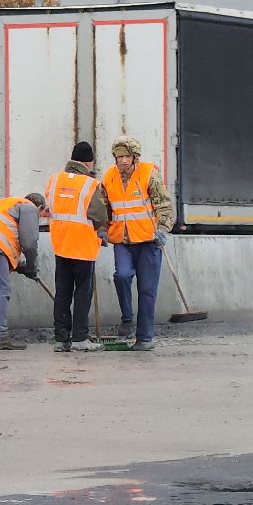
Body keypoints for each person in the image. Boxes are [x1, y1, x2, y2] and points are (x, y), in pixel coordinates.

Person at [88, 136, 175, 352]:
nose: (123, 161)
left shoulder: (148, 174)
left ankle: (144, 338)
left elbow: (164, 205)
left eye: (126, 156)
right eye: (119, 157)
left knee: (147, 291)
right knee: (122, 276)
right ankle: (127, 317)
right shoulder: (109, 177)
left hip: (149, 241)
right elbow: (103, 207)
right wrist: (102, 228)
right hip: (123, 241)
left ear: (135, 157)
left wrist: (163, 229)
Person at [0, 192, 47, 350]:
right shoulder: (29, 208)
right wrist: (32, 267)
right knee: (0, 290)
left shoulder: (8, 203)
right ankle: (0, 336)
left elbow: (6, 237)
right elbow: (30, 243)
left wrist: (22, 267)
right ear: (40, 207)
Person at [47, 141, 103, 353]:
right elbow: (98, 214)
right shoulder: (90, 184)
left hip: (60, 244)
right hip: (83, 246)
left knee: (62, 291)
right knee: (82, 293)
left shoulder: (54, 180)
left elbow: (51, 207)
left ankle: (61, 340)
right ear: (89, 162)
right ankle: (80, 338)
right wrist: (103, 231)